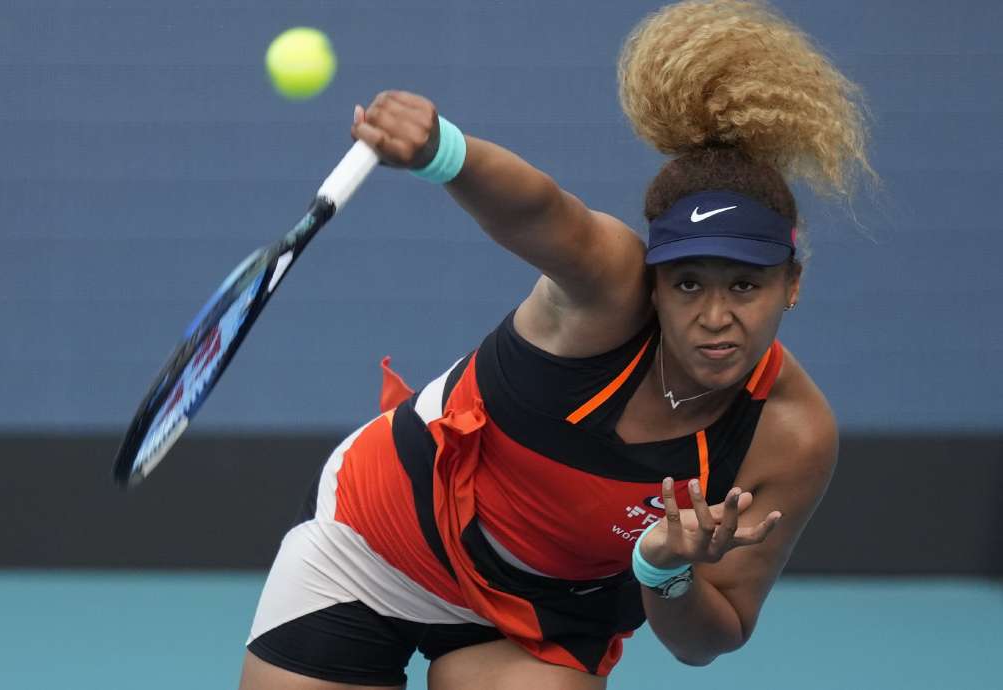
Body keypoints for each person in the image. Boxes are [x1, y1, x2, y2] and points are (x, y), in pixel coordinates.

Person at [239, 1, 873, 688]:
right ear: (654, 283)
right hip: (378, 538)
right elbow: (543, 211)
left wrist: (665, 571)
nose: (715, 316)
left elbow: (710, 638)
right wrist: (441, 151)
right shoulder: (608, 288)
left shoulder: (791, 435)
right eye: (689, 285)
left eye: (745, 287)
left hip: (544, 618)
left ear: (792, 286)